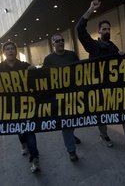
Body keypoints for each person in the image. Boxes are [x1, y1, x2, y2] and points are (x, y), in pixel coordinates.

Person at [76, 0, 125, 156]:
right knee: (102, 117)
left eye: (109, 29)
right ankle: (104, 136)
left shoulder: (113, 47)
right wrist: (90, 9)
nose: (107, 31)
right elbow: (79, 29)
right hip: (100, 91)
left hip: (116, 89)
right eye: (104, 29)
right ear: (98, 31)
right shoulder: (93, 46)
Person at [0, 41, 40, 173]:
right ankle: (23, 144)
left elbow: (37, 78)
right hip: (11, 108)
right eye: (7, 49)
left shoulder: (24, 66)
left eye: (12, 49)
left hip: (27, 106)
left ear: (16, 51)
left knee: (30, 131)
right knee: (20, 131)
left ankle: (35, 159)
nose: (10, 51)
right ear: (4, 52)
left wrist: (34, 70)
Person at [43, 33, 82, 161]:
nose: (60, 42)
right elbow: (43, 76)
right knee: (65, 122)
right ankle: (71, 150)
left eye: (62, 40)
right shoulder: (48, 59)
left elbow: (81, 70)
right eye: (57, 41)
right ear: (53, 44)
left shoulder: (72, 55)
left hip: (74, 94)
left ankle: (71, 135)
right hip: (60, 98)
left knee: (74, 119)